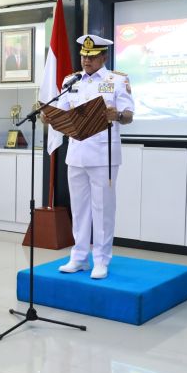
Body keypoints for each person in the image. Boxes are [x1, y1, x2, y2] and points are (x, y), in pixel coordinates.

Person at [51, 34, 135, 279]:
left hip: (103, 154)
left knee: (102, 210)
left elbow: (129, 115)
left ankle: (101, 260)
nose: (86, 61)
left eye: (92, 56)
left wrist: (117, 115)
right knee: (79, 210)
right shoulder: (71, 81)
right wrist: (51, 117)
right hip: (76, 154)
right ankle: (78, 258)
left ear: (104, 57)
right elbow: (62, 112)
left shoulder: (116, 80)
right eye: (83, 56)